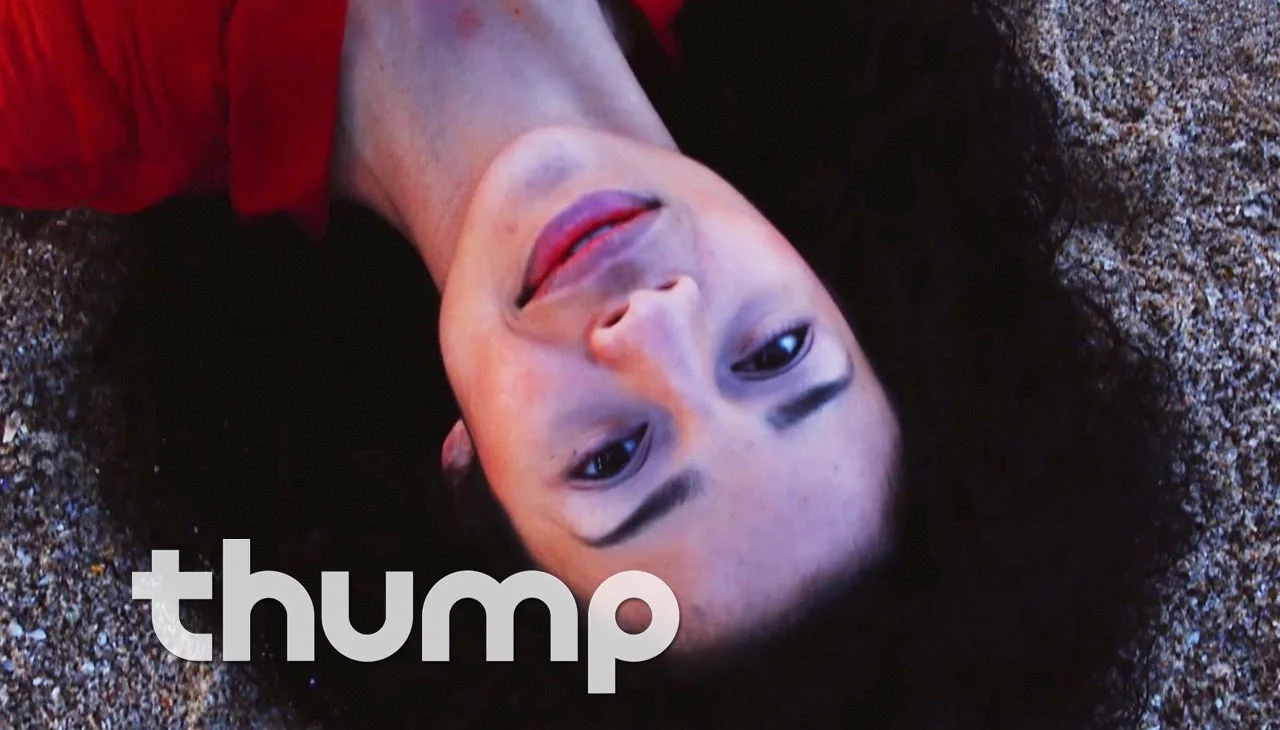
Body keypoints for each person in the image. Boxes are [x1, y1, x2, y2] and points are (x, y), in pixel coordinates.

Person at [3, 0, 1195, 726]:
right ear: (838, 282)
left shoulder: (61, 76)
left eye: (615, 456)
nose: (653, 328)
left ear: (470, 475)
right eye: (776, 352)